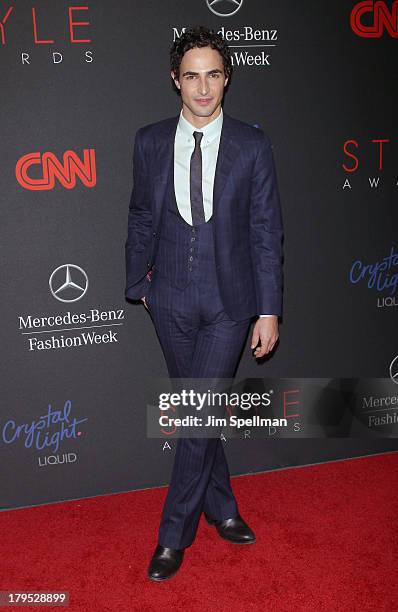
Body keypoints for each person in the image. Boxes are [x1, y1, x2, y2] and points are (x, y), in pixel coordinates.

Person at [125, 25, 284, 581]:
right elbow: (141, 214)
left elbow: (266, 230)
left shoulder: (251, 143)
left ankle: (173, 535)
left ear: (226, 77)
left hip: (229, 304)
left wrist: (269, 309)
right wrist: (139, 285)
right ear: (176, 79)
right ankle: (224, 507)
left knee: (195, 413)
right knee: (203, 408)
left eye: (213, 74)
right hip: (167, 298)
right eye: (191, 75)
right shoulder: (149, 141)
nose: (203, 87)